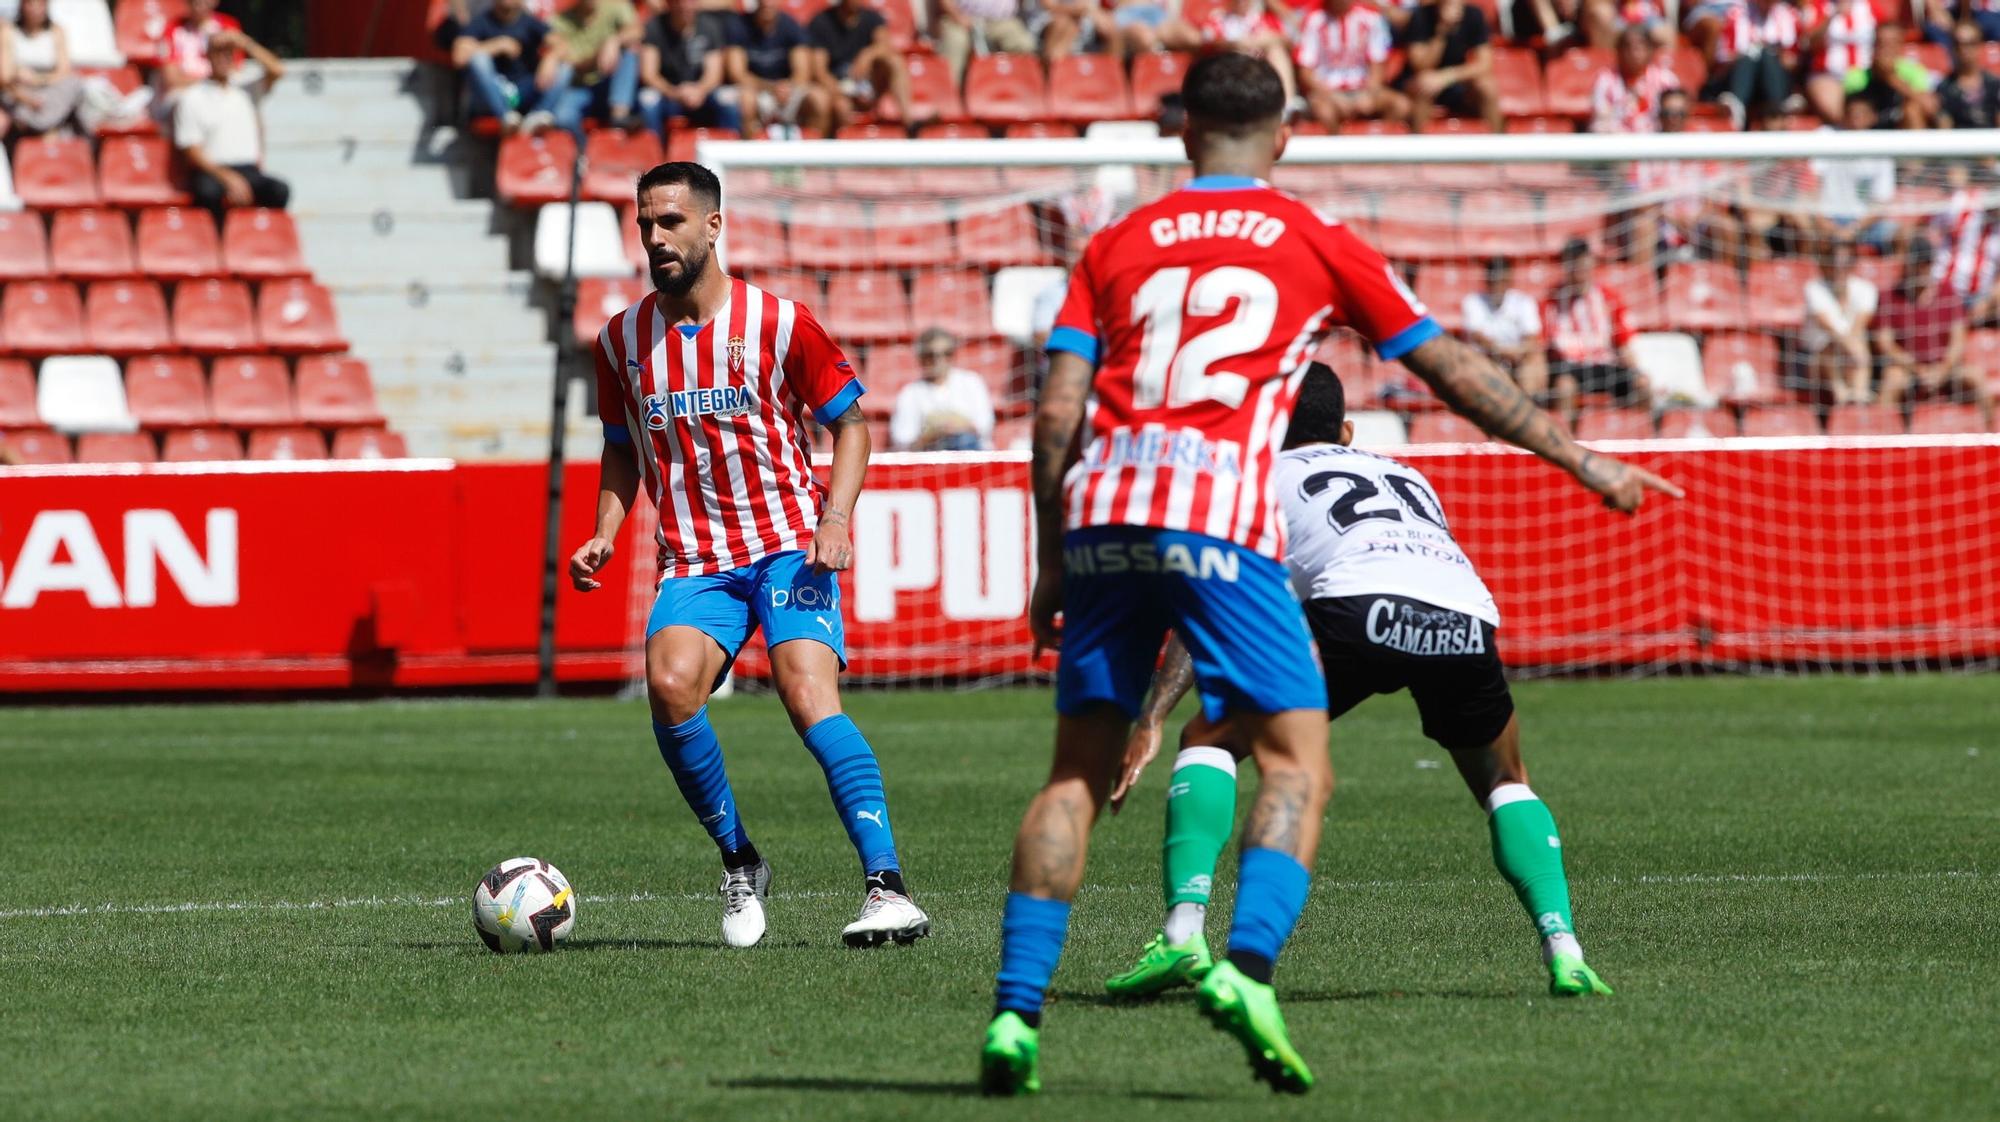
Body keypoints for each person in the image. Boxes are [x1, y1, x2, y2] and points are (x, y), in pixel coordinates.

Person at [979, 52, 1677, 1098]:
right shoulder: (1313, 238)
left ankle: (1013, 1018)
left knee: (1072, 777)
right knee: (1295, 763)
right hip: (1227, 515)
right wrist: (1577, 460)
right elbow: (1449, 368)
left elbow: (1051, 415)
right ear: (1286, 137)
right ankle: (1248, 966)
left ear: (1180, 134)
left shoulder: (1113, 243)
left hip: (1107, 513)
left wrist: (1050, 564)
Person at [1102, 365, 1615, 1003]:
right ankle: (1565, 951)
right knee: (1504, 781)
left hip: (1357, 608)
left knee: (1208, 736)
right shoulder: (1405, 473)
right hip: (1464, 615)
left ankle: (1183, 935)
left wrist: (1150, 715)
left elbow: (1209, 597)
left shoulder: (1259, 477)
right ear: (1346, 430)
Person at [570, 161, 932, 951]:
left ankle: (887, 888)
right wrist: (606, 528)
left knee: (807, 696)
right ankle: (739, 859)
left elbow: (855, 426)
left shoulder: (779, 323)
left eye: (670, 221)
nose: (656, 237)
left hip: (787, 547)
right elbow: (619, 448)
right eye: (645, 224)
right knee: (668, 686)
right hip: (696, 558)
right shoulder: (619, 341)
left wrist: (835, 517)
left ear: (713, 226)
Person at [1876, 239, 1994, 427]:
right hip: (1908, 368)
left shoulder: (1947, 292)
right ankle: (1884, 444)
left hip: (1946, 367)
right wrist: (1916, 367)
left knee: (1976, 377)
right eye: (1916, 265)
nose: (1920, 270)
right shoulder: (1890, 297)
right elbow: (1885, 343)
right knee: (1892, 381)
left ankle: (1991, 438)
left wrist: (1943, 369)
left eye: (1925, 264)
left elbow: (1958, 339)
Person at [176, 32, 289, 224]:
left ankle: (261, 243)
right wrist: (227, 177)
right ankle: (217, 245)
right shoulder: (192, 97)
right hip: (213, 171)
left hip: (248, 169)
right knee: (207, 193)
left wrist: (245, 43)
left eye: (229, 53)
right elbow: (191, 149)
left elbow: (277, 70)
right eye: (218, 53)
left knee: (279, 191)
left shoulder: (245, 90)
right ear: (208, 56)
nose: (224, 58)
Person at [1543, 238, 1651, 425]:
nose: (1578, 269)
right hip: (1572, 368)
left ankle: (1642, 439)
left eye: (1582, 262)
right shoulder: (1552, 301)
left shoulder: (1608, 298)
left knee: (1642, 386)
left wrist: (1637, 371)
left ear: (1590, 263)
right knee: (1564, 387)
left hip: (1604, 366)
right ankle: (1568, 443)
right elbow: (1545, 344)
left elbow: (1624, 342)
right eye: (1573, 263)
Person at [1295, 0, 1409, 130]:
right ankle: (1336, 146)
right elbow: (1306, 72)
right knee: (1325, 112)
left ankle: (1379, 143)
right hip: (1328, 92)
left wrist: (1369, 94)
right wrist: (1332, 96)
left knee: (1400, 105)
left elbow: (1377, 64)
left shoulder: (1370, 19)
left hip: (1361, 89)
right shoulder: (1314, 21)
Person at [638, 0, 741, 136]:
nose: (684, 6)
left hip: (702, 93)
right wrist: (673, 92)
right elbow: (649, 74)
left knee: (728, 98)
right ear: (669, 4)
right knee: (647, 100)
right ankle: (654, 153)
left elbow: (714, 73)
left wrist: (700, 90)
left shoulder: (709, 26)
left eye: (690, 2)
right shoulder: (654, 26)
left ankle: (729, 150)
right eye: (679, 2)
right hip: (668, 93)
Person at [1809, 95, 1899, 252]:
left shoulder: (1882, 149)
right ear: (1844, 114)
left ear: (1873, 117)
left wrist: (1854, 229)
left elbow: (1881, 203)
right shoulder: (1826, 137)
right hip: (1829, 218)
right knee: (1805, 230)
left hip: (1865, 224)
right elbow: (1811, 185)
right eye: (1852, 113)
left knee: (1903, 235)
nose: (1856, 119)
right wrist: (1826, 224)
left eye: (1862, 113)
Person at [726, 0, 829, 136]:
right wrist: (771, 87)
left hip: (788, 89)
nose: (767, 3)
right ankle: (752, 154)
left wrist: (788, 87)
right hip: (757, 90)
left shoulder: (791, 25)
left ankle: (813, 153)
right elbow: (737, 73)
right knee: (747, 101)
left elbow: (802, 71)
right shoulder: (739, 25)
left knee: (820, 99)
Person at [453, 0, 558, 134]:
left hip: (525, 92)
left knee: (564, 67)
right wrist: (498, 45)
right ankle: (506, 117)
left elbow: (562, 45)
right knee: (478, 59)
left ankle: (539, 117)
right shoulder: (482, 21)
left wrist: (551, 58)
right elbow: (459, 57)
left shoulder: (530, 22)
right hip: (494, 94)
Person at [540, 0, 643, 134]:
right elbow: (574, 65)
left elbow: (638, 32)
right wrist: (599, 54)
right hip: (581, 87)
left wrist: (614, 40)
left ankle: (619, 116)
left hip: (611, 83)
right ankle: (581, 152)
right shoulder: (560, 20)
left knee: (629, 52)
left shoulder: (617, 7)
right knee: (563, 118)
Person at [807, 0, 912, 129]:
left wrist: (868, 54)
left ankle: (909, 123)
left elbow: (884, 45)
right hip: (838, 87)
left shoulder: (872, 18)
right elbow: (819, 71)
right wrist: (840, 92)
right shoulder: (821, 22)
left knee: (894, 61)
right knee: (841, 107)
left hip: (867, 84)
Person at [1400, 0, 1501, 131]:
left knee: (1487, 86)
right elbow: (1420, 66)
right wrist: (1442, 31)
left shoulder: (1474, 15)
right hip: (1424, 79)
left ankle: (1499, 141)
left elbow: (1484, 64)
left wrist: (1446, 77)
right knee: (1424, 84)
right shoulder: (1420, 16)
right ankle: (1417, 145)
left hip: (1455, 80)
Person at [889, 328, 996, 451]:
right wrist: (933, 434)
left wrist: (955, 426)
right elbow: (904, 441)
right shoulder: (910, 393)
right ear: (920, 358)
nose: (939, 360)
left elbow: (985, 426)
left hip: (972, 456)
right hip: (931, 459)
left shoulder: (972, 382)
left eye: (947, 353)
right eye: (931, 355)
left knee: (964, 440)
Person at [1803, 233, 1878, 404]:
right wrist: (1853, 351)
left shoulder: (1866, 288)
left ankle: (1858, 395)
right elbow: (1827, 326)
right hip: (1819, 363)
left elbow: (1859, 325)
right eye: (1834, 261)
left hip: (1852, 356)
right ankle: (1842, 396)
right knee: (1831, 347)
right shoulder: (1814, 288)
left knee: (1859, 344)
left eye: (1845, 262)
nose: (1839, 266)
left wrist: (1854, 351)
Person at [1703, 0, 1800, 128]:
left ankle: (1778, 109)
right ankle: (1737, 106)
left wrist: (1771, 53)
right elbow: (1723, 58)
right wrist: (1750, 52)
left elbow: (1794, 61)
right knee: (1751, 55)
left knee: (1767, 56)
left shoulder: (1789, 15)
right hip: (1743, 76)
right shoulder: (1736, 14)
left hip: (1775, 77)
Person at [1463, 257, 1550, 400]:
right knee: (1494, 372)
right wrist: (1504, 352)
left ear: (1509, 281)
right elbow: (1478, 337)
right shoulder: (1473, 302)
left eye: (1502, 281)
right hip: (1489, 359)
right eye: (1494, 281)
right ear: (1487, 281)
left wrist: (1515, 354)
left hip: (1519, 358)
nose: (1498, 286)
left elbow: (1531, 339)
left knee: (1533, 364)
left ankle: (1529, 410)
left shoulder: (1523, 302)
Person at [1, 0, 81, 134]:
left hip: (50, 94)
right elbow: (4, 76)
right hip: (18, 92)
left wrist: (37, 80)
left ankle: (45, 125)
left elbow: (64, 71)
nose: (35, 9)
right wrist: (25, 97)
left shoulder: (57, 31)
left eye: (40, 4)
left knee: (75, 83)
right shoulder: (8, 30)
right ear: (22, 6)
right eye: (30, 4)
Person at [1801, 0, 1887, 122]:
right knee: (1843, 115)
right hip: (1829, 75)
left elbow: (1886, 35)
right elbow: (1809, 43)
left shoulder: (1870, 5)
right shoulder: (1818, 6)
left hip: (1867, 74)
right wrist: (1832, 16)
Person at [1842, 22, 1939, 128]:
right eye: (1881, 43)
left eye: (1891, 43)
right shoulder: (1857, 75)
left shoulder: (1914, 71)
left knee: (1912, 110)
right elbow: (1847, 114)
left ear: (1900, 45)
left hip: (1902, 128)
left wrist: (1890, 77)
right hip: (1870, 130)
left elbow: (1929, 107)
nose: (1885, 49)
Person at [1590, 24, 1680, 133]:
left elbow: (1676, 117)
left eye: (1640, 47)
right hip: (1616, 144)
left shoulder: (1666, 80)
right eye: (1628, 47)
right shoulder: (1605, 79)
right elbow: (1600, 119)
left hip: (1657, 144)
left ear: (1650, 50)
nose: (1634, 52)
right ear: (1618, 51)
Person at [933, 0, 1039, 83]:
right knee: (955, 43)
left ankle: (1021, 95)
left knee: (1025, 44)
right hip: (960, 19)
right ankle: (950, 97)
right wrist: (957, 16)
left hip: (1002, 20)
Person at [1938, 20, 2000, 127]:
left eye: (1970, 43)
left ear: (1979, 45)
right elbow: (1944, 128)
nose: (1963, 49)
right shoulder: (1945, 88)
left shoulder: (1994, 85)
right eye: (1958, 44)